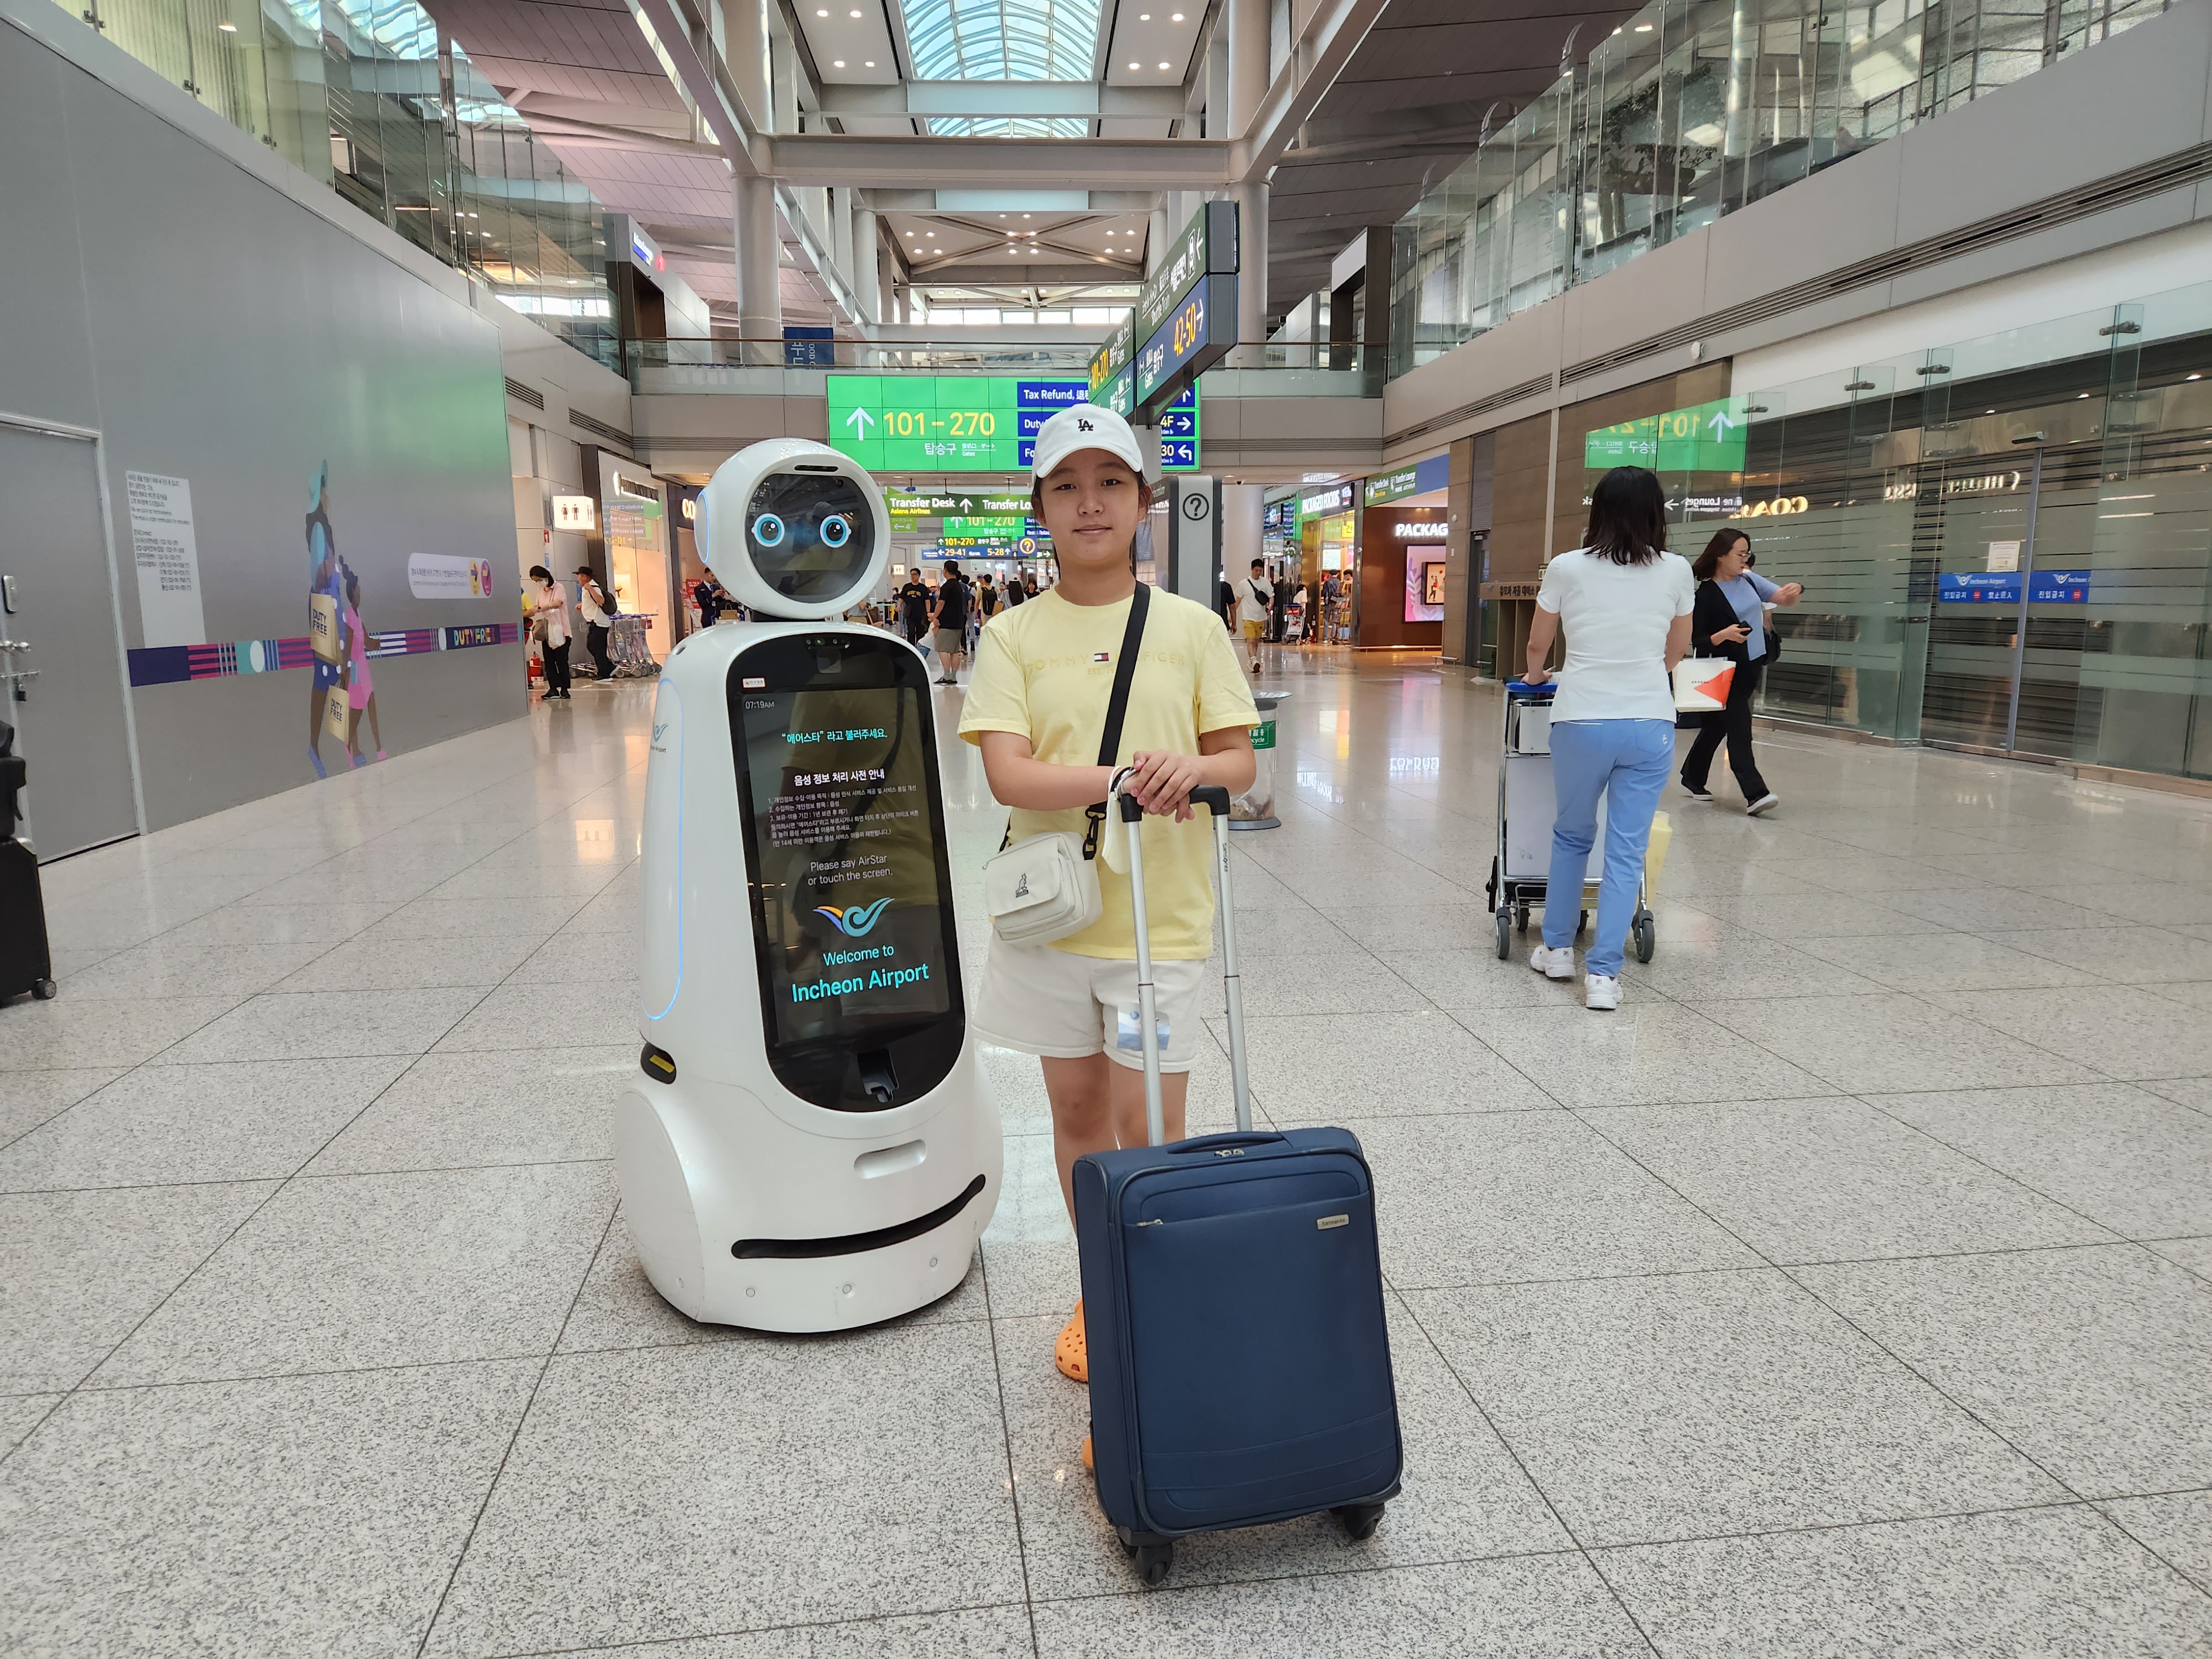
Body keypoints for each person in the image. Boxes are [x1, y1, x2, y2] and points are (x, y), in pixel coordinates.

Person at [959, 403, 1257, 1471]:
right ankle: (1102, 1289)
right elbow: (1010, 774)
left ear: (1142, 503)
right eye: (1067, 486)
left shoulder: (1192, 628)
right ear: (1041, 509)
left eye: (1111, 483)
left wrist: (1193, 769)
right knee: (1079, 1116)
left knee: (1151, 1124)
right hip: (1054, 926)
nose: (1090, 504)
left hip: (1158, 930)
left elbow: (1238, 761)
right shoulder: (1011, 634)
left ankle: (1153, 1295)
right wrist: (1130, 779)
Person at [1520, 466, 1694, 1011]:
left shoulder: (1567, 567)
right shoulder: (1677, 570)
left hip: (1582, 720)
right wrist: (1645, 675)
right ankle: (1603, 977)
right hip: (1649, 723)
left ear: (1598, 511)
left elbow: (1537, 645)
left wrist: (1536, 676)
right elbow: (1677, 650)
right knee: (1626, 850)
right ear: (1656, 513)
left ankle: (1556, 950)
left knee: (1573, 836)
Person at [1682, 530, 1802, 816]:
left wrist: (1793, 591)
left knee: (1716, 727)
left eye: (1747, 553)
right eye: (1740, 554)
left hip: (1752, 664)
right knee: (1739, 729)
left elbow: (1780, 598)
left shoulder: (1749, 579)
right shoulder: (1705, 595)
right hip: (1724, 670)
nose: (1745, 559)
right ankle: (1755, 793)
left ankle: (1692, 776)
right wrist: (1723, 635)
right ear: (1721, 556)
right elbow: (1697, 640)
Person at [342, 569, 384, 763]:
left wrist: (376, 643)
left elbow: (366, 641)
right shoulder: (351, 617)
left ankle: (376, 748)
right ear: (353, 592)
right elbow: (348, 647)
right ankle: (353, 748)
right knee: (357, 709)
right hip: (356, 670)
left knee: (366, 704)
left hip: (362, 667)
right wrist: (345, 670)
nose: (360, 593)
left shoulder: (358, 615)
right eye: (358, 591)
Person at [529, 565, 573, 700]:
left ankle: (565, 689)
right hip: (548, 632)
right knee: (549, 662)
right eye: (535, 581)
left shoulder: (559, 587)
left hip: (561, 631)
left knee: (561, 661)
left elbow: (557, 603)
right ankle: (553, 689)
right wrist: (531, 611)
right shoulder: (541, 590)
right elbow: (537, 606)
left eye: (539, 580)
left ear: (546, 577)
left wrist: (540, 608)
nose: (538, 583)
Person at [930, 560, 972, 685]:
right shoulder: (960, 586)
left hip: (947, 622)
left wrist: (934, 617)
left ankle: (947, 675)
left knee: (942, 648)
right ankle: (953, 676)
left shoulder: (947, 586)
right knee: (954, 650)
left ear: (945, 571)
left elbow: (941, 603)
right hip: (959, 621)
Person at [1232, 558, 1272, 672]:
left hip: (1260, 617)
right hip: (1248, 617)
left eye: (1260, 571)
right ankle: (1254, 661)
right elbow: (1238, 601)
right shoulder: (1243, 584)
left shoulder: (1266, 583)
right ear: (1252, 569)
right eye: (1256, 570)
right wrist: (1232, 615)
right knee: (1250, 640)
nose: (1258, 573)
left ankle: (1252, 662)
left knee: (1256, 641)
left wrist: (1270, 606)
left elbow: (1271, 597)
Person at [575, 565, 614, 682]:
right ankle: (608, 668)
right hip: (595, 623)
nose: (578, 579)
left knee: (597, 648)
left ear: (585, 577)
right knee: (593, 646)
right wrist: (583, 606)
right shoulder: (587, 588)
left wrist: (591, 589)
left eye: (579, 576)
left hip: (599, 623)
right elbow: (593, 603)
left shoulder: (593, 587)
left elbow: (601, 601)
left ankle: (605, 673)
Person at [898, 568, 931, 649]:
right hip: (909, 613)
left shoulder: (923, 588)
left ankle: (919, 648)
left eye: (915, 574)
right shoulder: (907, 587)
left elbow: (927, 601)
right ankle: (911, 648)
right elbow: (901, 598)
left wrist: (928, 612)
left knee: (921, 632)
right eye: (911, 575)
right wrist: (899, 606)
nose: (913, 576)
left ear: (919, 576)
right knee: (911, 631)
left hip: (921, 613)